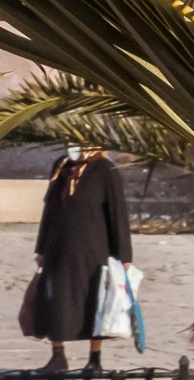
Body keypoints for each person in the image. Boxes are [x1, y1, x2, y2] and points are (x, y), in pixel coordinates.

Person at [31, 142, 133, 375]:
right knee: (57, 300)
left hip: (94, 249)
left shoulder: (105, 169)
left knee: (94, 302)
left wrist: (124, 254)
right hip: (59, 248)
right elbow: (50, 209)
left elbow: (117, 212)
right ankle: (58, 355)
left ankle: (94, 359)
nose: (74, 148)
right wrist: (42, 247)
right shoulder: (62, 166)